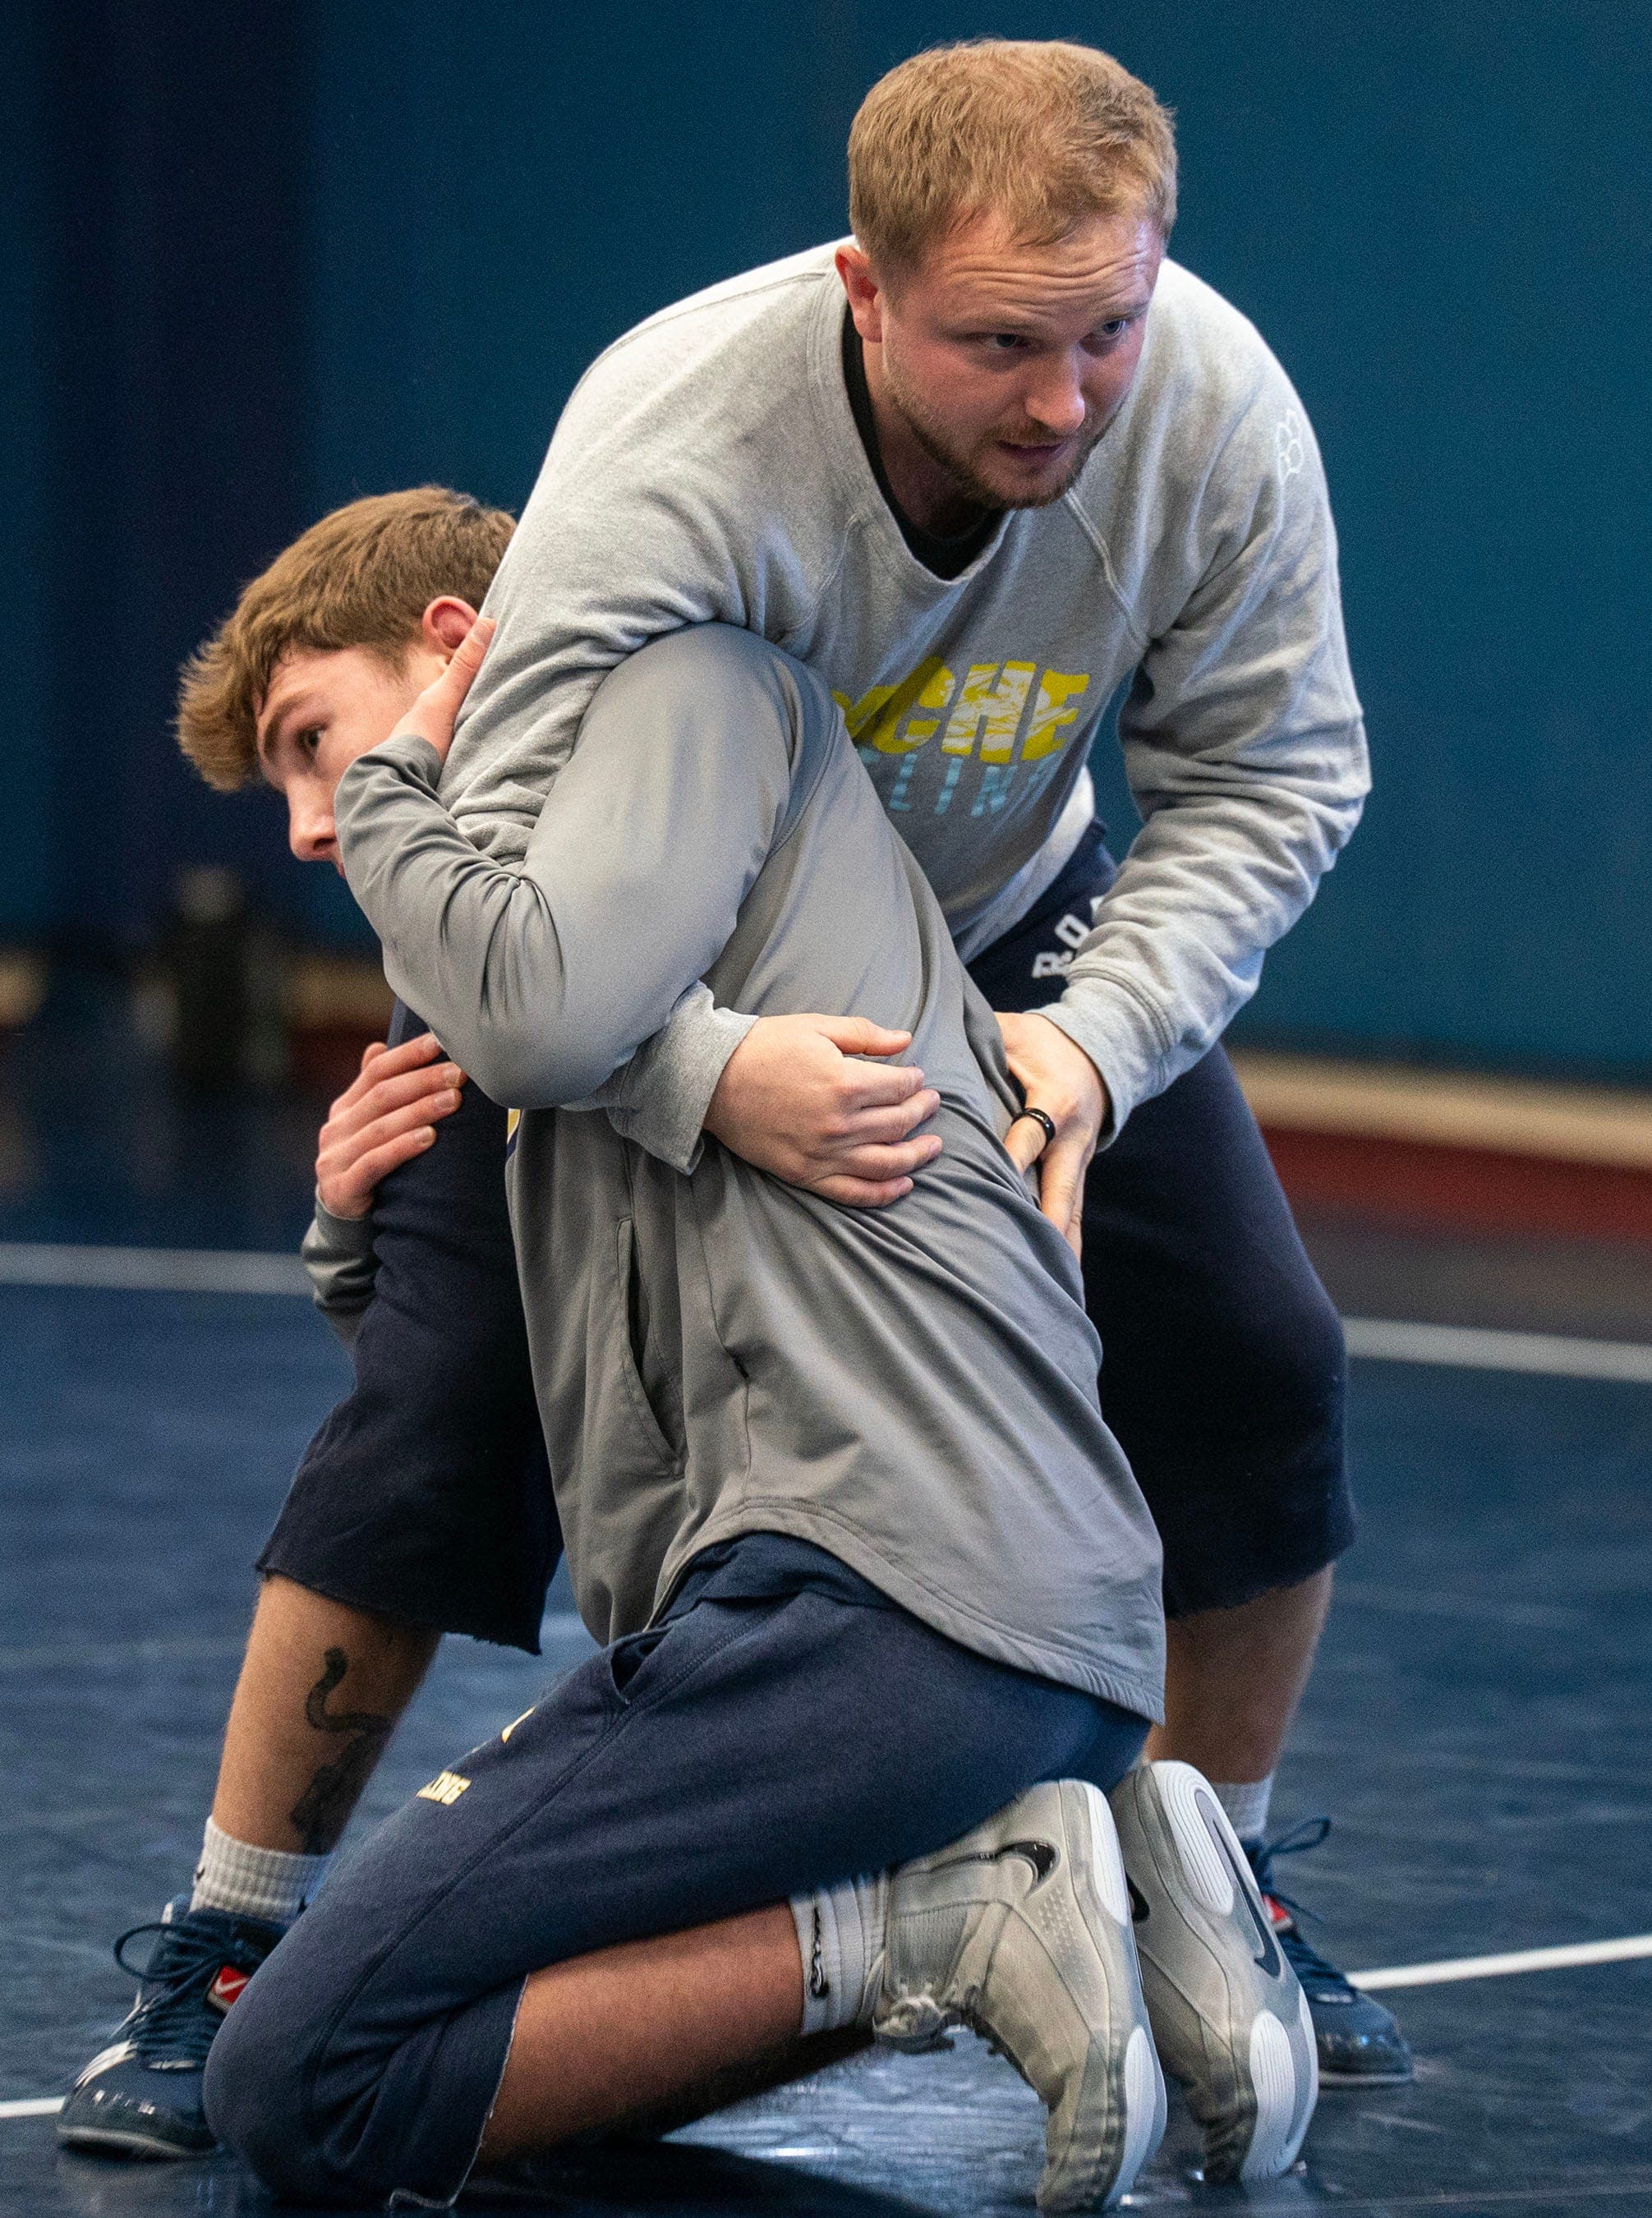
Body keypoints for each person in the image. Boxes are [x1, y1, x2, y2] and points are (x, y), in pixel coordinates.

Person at [62, 491, 1314, 2200]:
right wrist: (358, 1231)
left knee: (303, 2082)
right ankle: (1074, 1876)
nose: (304, 824)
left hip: (866, 1618)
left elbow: (577, 1008)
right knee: (473, 2019)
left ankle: (953, 1917)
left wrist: (413, 819)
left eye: (311, 747)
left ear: (451, 655)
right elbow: (500, 1385)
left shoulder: (692, 718)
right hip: (1010, 1653)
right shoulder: (521, 993)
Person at [435, 36, 1404, 2081]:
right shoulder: (673, 444)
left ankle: (1197, 1888)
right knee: (441, 1394)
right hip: (685, 964)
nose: (1064, 400)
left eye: (1107, 332)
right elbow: (503, 881)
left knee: (1256, 1355)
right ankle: (240, 1937)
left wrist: (1092, 1044)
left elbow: (1277, 770)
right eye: (999, 346)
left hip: (1013, 925)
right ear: (860, 290)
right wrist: (696, 1075)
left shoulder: (1208, 407)